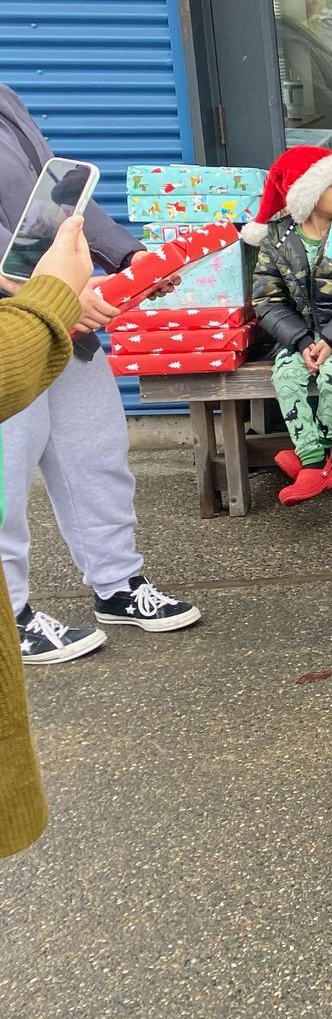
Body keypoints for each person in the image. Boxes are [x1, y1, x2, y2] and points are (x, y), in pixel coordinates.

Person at [0, 83, 200, 665]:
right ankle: (9, 616)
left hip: (60, 310)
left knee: (96, 452)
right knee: (6, 476)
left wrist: (129, 257)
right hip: (17, 317)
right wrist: (41, 289)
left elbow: (57, 199)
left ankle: (117, 586)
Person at [2, 215, 95, 857]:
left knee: (97, 461)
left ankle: (118, 584)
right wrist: (49, 301)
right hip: (29, 325)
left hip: (41, 319)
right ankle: (18, 604)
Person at [241, 147, 332, 506]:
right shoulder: (278, 238)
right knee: (286, 376)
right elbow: (267, 300)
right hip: (297, 337)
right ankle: (319, 463)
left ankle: (310, 461)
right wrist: (302, 340)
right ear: (308, 193)